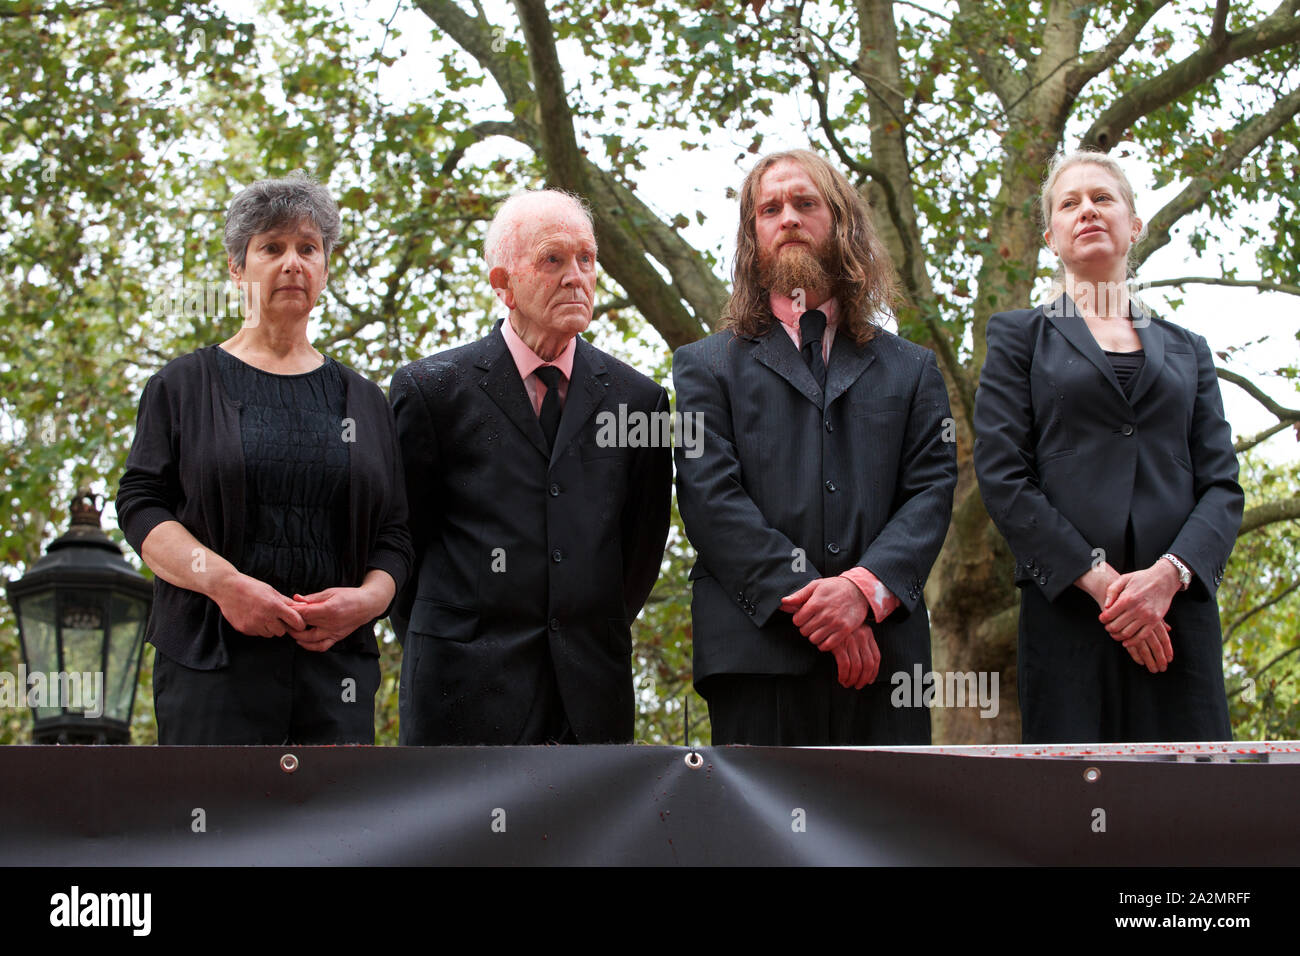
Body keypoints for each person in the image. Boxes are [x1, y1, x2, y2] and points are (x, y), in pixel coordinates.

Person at [672, 149, 958, 746]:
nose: (788, 218)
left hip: (886, 662)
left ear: (842, 222)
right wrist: (818, 606)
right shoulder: (705, 366)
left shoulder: (912, 369)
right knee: (755, 842)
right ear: (753, 236)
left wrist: (861, 591)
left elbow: (930, 493)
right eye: (769, 208)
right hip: (755, 657)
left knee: (886, 838)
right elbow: (709, 497)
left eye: (806, 203)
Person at [116, 172, 412, 745]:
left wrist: (368, 602)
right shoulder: (182, 386)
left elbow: (395, 536)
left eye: (308, 248)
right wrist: (224, 584)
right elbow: (141, 506)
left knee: (337, 837)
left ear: (325, 267)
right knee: (215, 831)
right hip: (211, 671)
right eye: (271, 248)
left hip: (337, 681)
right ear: (237, 268)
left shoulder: (367, 402)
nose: (292, 263)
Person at [973, 149, 1243, 743]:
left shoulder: (1189, 349)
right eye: (1069, 203)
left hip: (1178, 622)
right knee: (1074, 813)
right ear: (1051, 236)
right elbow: (1003, 476)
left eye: (1102, 198)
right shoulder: (1018, 338)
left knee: (1186, 809)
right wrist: (1105, 586)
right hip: (1069, 616)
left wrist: (1167, 579)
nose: (1086, 210)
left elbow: (1222, 486)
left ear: (1134, 224)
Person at [389, 189, 672, 745]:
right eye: (553, 259)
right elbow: (402, 545)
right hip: (457, 697)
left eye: (586, 259)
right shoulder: (429, 391)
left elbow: (639, 551)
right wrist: (446, 636)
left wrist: (587, 631)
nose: (577, 276)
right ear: (503, 284)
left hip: (591, 702)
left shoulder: (642, 402)